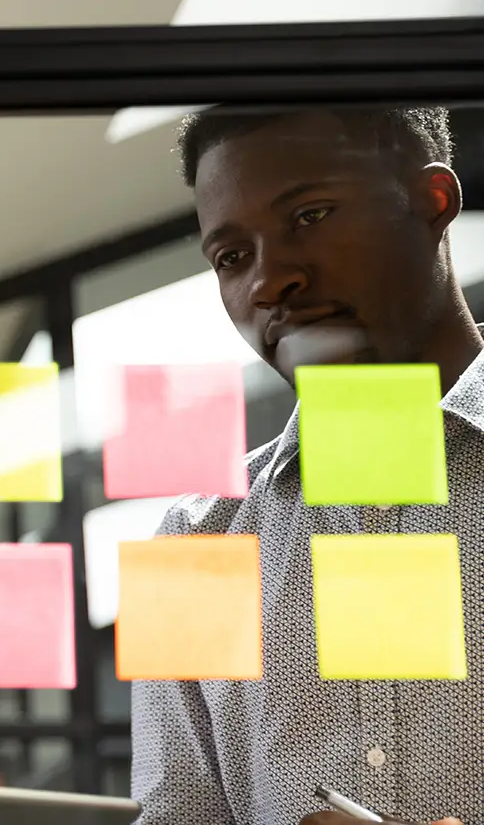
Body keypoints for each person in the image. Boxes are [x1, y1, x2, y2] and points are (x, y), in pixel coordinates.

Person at [129, 105, 484, 825]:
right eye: (231, 258)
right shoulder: (193, 546)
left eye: (311, 215)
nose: (271, 280)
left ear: (432, 203)